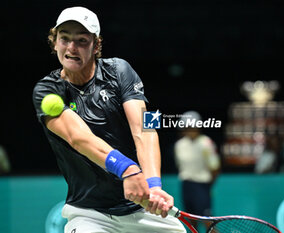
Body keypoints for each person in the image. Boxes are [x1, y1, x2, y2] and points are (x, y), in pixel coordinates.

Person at [32, 6, 185, 233]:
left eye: (82, 41)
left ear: (96, 45)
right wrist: (128, 169)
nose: (72, 48)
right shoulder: (46, 91)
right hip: (89, 214)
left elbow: (146, 128)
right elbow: (79, 138)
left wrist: (153, 185)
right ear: (55, 43)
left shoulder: (121, 70)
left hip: (140, 208)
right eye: (64, 39)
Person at [174, 111, 220, 230]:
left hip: (202, 186)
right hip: (186, 186)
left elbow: (215, 168)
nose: (189, 129)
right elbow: (180, 166)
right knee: (191, 221)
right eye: (186, 127)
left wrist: (207, 186)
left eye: (192, 126)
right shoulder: (179, 145)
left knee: (207, 221)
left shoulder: (206, 143)